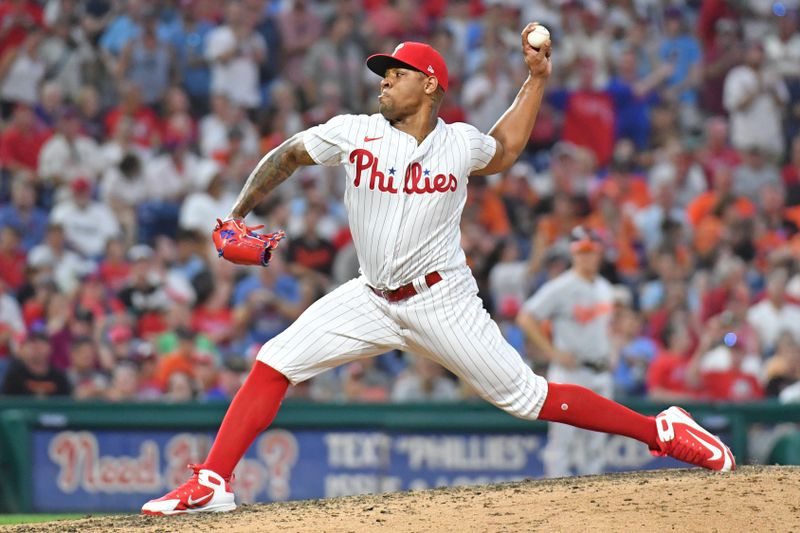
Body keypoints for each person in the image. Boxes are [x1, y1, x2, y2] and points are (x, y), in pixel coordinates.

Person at [142, 27, 734, 516]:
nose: (384, 80)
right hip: (370, 297)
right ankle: (213, 481)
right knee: (274, 361)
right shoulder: (357, 131)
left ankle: (659, 430)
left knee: (528, 398)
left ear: (430, 84)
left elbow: (504, 150)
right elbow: (290, 154)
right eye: (383, 72)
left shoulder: (459, 144)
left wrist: (536, 80)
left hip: (441, 299)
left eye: (395, 73)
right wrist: (238, 212)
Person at [516, 226, 616, 477]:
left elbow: (608, 327)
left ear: (599, 253)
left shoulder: (605, 287)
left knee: (596, 444)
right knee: (563, 443)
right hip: (570, 374)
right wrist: (552, 353)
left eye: (591, 251)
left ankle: (595, 499)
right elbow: (526, 317)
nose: (587, 257)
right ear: (574, 254)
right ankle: (556, 501)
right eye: (582, 252)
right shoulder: (561, 286)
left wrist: (612, 350)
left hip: (600, 372)